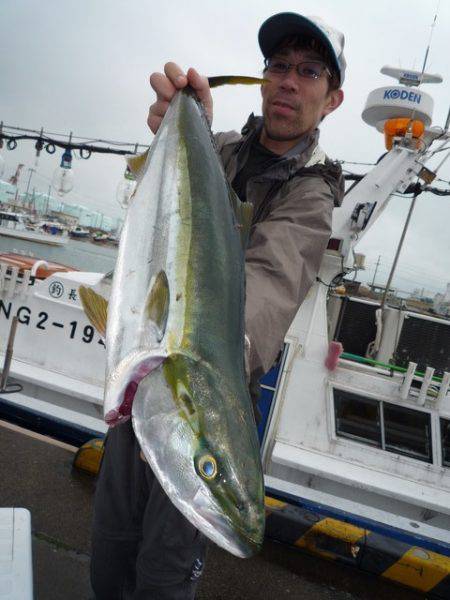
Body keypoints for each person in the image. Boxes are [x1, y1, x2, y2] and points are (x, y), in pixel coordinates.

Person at [90, 11, 346, 600]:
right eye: (278, 66)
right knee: (111, 545)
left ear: (332, 99)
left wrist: (193, 355)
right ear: (261, 80)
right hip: (147, 381)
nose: (289, 81)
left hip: (211, 392)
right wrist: (175, 121)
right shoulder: (215, 146)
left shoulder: (311, 195)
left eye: (309, 72)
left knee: (164, 569)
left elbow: (267, 289)